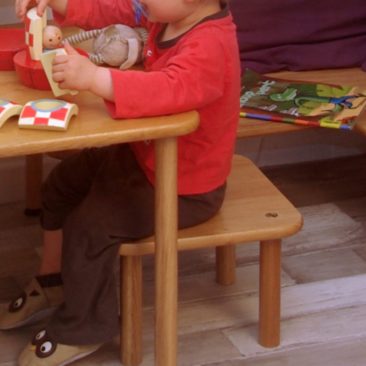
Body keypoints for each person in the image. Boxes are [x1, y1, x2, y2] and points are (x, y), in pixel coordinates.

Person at [1, 0, 240, 364]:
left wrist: (95, 78)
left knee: (90, 227)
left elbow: (168, 89)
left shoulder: (210, 44)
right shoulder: (168, 13)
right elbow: (110, 9)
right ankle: (52, 281)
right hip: (144, 157)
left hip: (185, 187)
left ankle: (84, 327)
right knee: (61, 185)